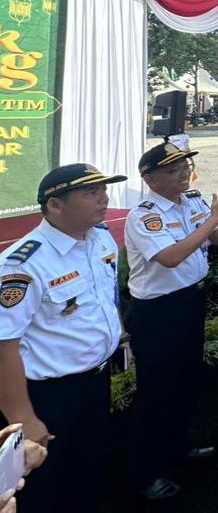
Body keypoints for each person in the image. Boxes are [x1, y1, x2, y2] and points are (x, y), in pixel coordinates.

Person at [124, 142, 218, 501]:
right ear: (150, 178)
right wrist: (215, 214)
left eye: (185, 165)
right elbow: (171, 257)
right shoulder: (145, 214)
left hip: (190, 301)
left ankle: (177, 448)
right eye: (173, 168)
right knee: (155, 393)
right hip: (158, 312)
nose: (183, 171)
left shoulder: (192, 201)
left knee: (186, 383)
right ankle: (146, 472)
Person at [0, 163, 125, 513]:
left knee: (85, 474)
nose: (104, 198)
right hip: (48, 396)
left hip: (94, 383)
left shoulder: (98, 238)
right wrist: (23, 417)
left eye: (104, 189)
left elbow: (103, 297)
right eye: (91, 192)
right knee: (41, 488)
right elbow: (3, 346)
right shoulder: (21, 264)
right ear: (55, 205)